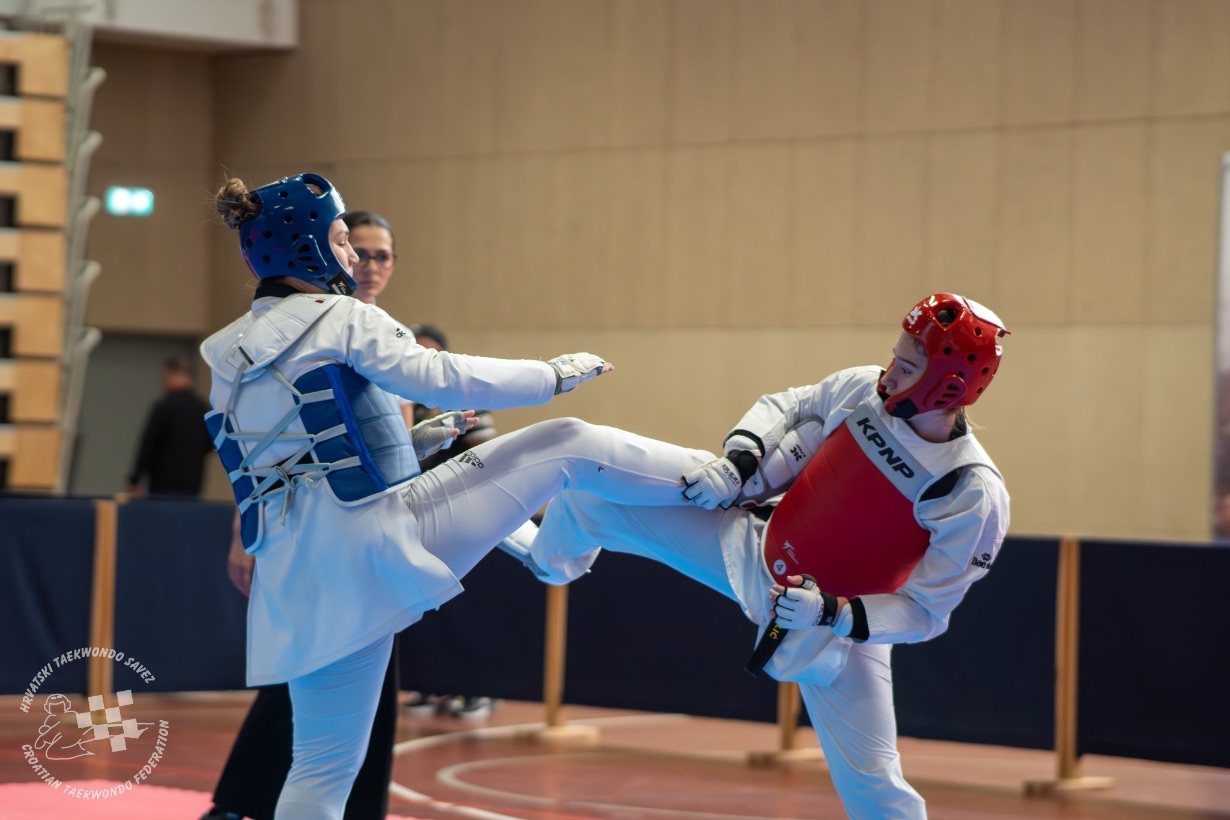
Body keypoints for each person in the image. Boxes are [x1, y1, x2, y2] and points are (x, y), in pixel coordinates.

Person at [202, 172, 712, 820]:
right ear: (306, 245)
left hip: (299, 577)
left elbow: (299, 461)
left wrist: (411, 444)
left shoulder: (227, 353)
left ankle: (556, 552)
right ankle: (721, 481)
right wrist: (552, 374)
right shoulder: (341, 317)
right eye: (342, 239)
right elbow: (441, 375)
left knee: (320, 772)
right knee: (568, 442)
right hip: (376, 539)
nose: (353, 256)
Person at [500, 292, 1011, 820]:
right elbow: (789, 406)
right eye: (894, 357)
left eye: (907, 367)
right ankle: (548, 562)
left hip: (835, 629)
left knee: (875, 787)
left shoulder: (968, 490)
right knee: (591, 500)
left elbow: (925, 613)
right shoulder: (863, 388)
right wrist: (739, 462)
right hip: (754, 546)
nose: (889, 374)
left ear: (948, 385)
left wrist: (830, 613)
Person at [204, 210, 408, 820]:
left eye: (382, 255)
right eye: (355, 248)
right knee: (304, 673)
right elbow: (258, 444)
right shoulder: (290, 332)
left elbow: (390, 446)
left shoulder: (389, 335)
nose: (367, 263)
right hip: (303, 528)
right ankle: (237, 803)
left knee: (364, 678)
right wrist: (246, 532)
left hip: (373, 530)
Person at [126, 355, 214, 496]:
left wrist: (135, 479)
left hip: (162, 483)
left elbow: (148, 444)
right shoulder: (202, 409)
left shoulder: (164, 407)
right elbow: (212, 444)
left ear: (170, 375)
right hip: (193, 482)